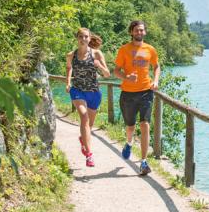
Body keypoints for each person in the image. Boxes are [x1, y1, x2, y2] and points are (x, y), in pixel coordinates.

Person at [113, 20, 160, 176]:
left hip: (146, 91)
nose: (139, 33)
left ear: (145, 32)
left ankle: (144, 161)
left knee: (145, 124)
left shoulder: (150, 49)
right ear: (131, 32)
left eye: (141, 30)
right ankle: (128, 142)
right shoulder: (124, 50)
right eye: (136, 30)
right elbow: (116, 71)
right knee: (130, 127)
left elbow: (156, 66)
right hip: (128, 93)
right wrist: (127, 77)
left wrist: (156, 80)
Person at [65, 27, 110, 167]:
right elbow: (68, 67)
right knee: (84, 117)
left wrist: (100, 67)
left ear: (89, 39)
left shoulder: (96, 54)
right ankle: (89, 155)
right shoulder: (71, 55)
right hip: (78, 90)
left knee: (89, 126)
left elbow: (107, 74)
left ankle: (83, 140)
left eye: (86, 37)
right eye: (81, 36)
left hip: (94, 92)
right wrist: (68, 82)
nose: (83, 39)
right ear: (77, 38)